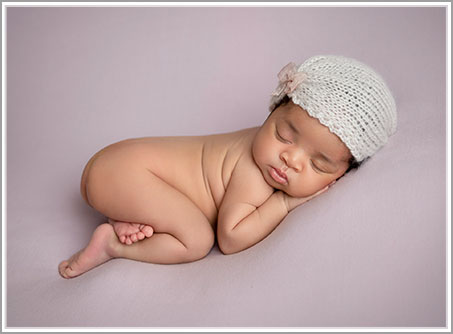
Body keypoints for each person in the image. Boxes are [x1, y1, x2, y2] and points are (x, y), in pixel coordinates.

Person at [58, 55, 397, 279]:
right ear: (271, 112)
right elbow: (231, 238)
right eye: (283, 135)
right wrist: (284, 202)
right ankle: (111, 245)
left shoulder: (268, 150)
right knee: (196, 240)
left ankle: (130, 211)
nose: (290, 160)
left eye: (318, 164)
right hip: (124, 173)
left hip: (121, 168)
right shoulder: (254, 171)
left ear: (342, 172)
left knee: (182, 211)